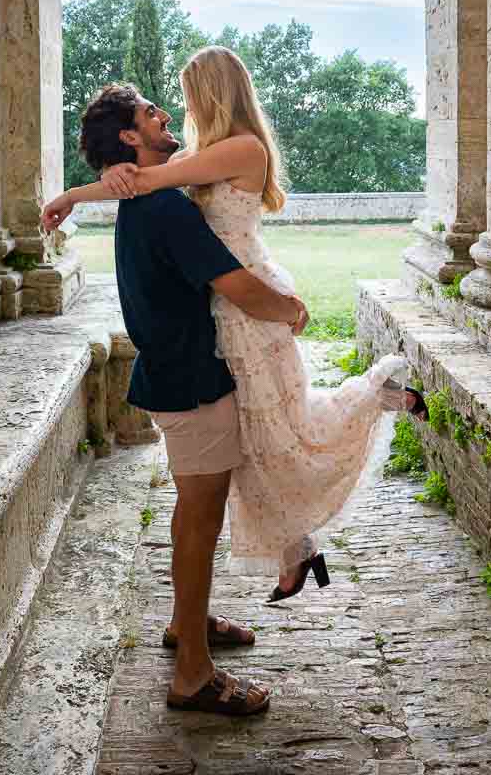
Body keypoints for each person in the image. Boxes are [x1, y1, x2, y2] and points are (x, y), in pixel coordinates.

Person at [45, 48, 422, 603]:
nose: (177, 110)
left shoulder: (241, 149)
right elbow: (146, 181)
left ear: (212, 92)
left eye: (188, 93)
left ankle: (379, 395)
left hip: (250, 298)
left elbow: (149, 182)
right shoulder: (210, 153)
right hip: (228, 308)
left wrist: (83, 190)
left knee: (287, 427)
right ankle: (297, 548)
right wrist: (91, 186)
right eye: (157, 110)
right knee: (260, 435)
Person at [43, 82, 309, 717]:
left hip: (175, 371)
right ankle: (192, 673)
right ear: (131, 139)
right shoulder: (165, 208)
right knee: (200, 519)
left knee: (195, 511)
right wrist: (291, 310)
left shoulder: (149, 195)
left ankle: (184, 624)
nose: (165, 116)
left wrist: (79, 192)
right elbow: (236, 285)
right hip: (191, 376)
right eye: (150, 114)